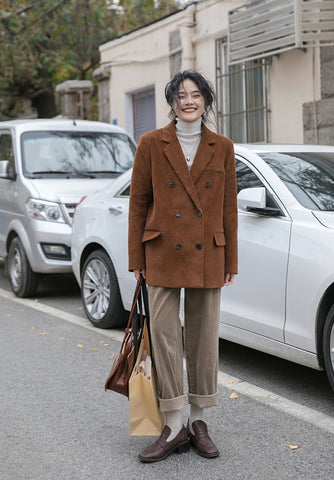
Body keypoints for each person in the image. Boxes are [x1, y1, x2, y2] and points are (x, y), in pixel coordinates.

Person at [128, 70, 238, 463]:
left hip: (209, 251)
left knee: (204, 337)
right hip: (161, 250)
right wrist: (136, 259)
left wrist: (231, 260)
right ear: (172, 103)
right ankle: (173, 423)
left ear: (206, 101)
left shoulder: (222, 146)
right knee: (164, 337)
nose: (188, 101)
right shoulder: (151, 143)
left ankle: (198, 420)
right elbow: (138, 203)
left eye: (195, 95)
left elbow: (229, 208)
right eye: (180, 96)